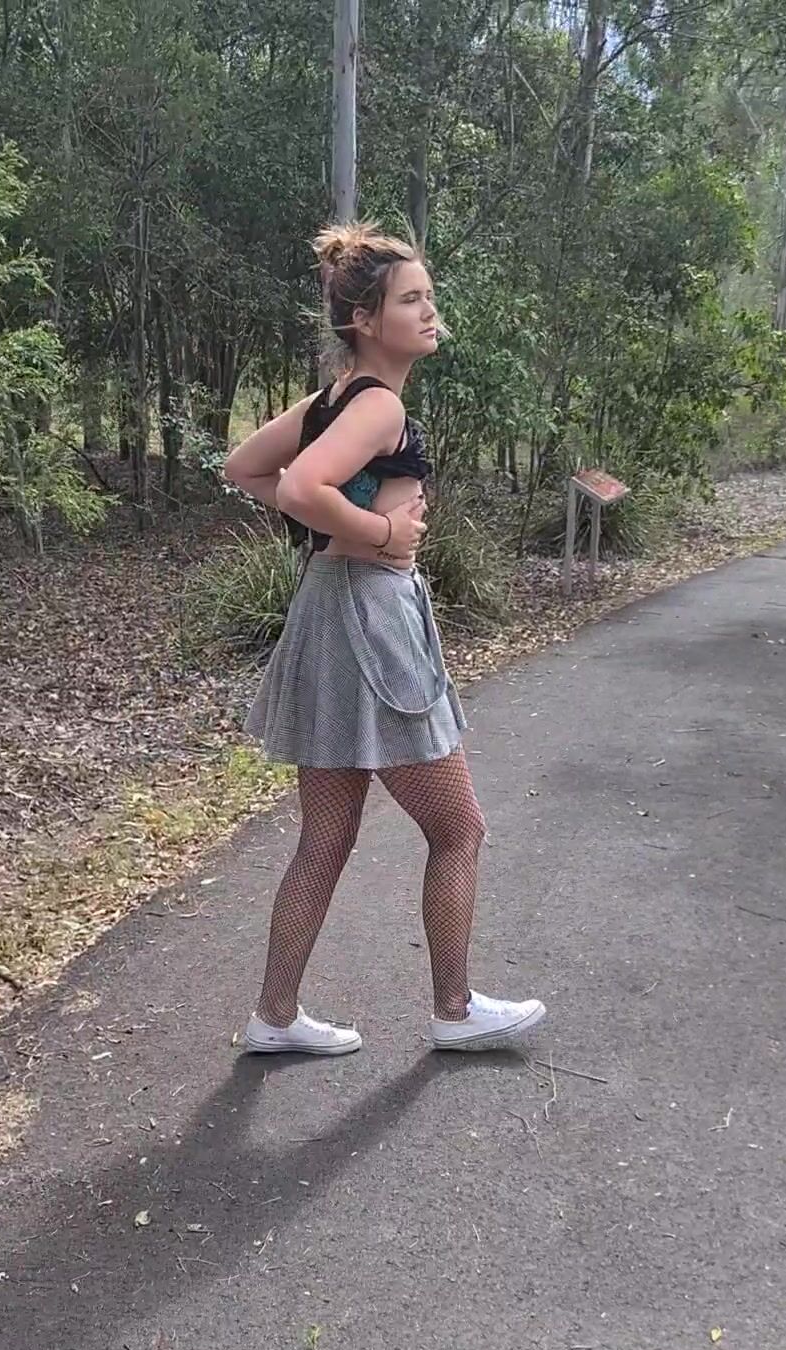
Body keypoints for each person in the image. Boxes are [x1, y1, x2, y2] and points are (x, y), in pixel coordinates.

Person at [223, 221, 546, 1057]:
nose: (430, 311)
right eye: (411, 300)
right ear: (365, 319)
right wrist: (378, 532)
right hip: (369, 618)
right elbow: (299, 483)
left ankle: (275, 1017)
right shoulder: (377, 404)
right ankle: (454, 1010)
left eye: (429, 295)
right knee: (459, 829)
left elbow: (246, 469)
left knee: (326, 837)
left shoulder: (331, 402)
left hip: (327, 613)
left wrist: (344, 529)